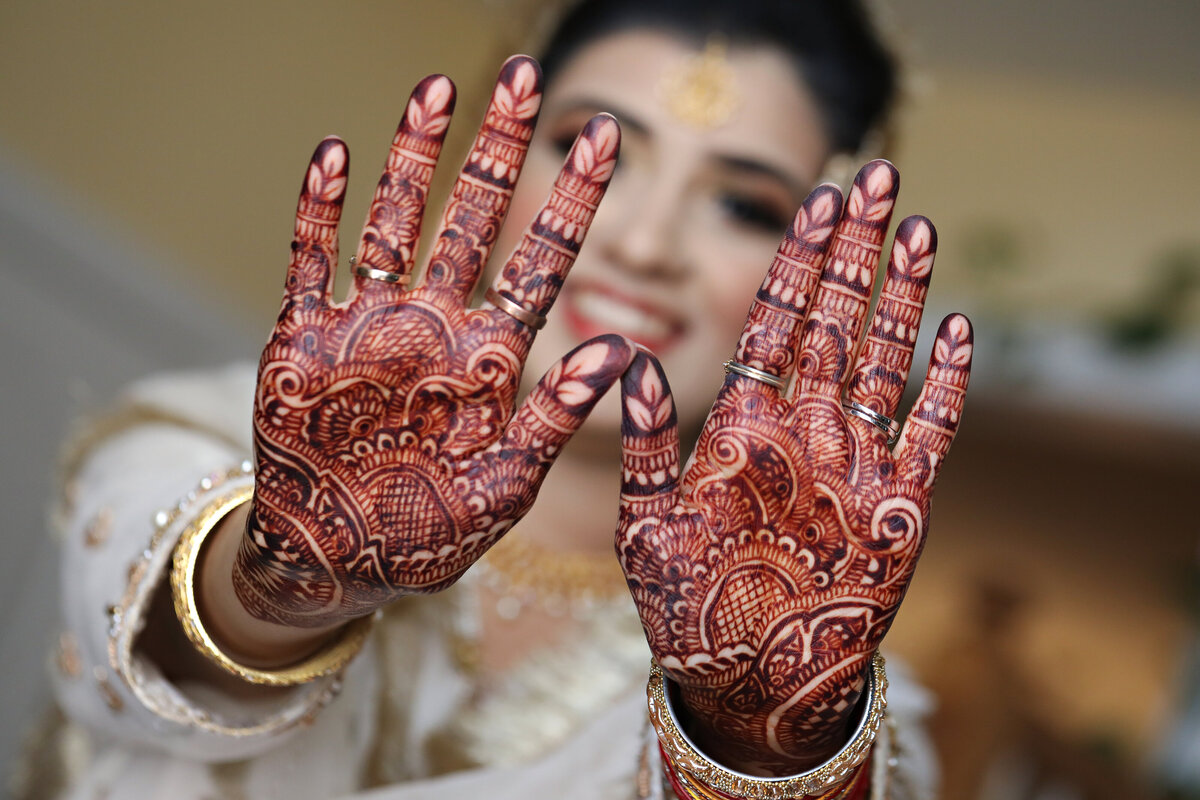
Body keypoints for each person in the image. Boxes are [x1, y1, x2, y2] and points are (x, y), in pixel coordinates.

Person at [37, 0, 972, 797]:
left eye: (745, 206)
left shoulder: (812, 670)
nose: (643, 245)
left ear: (828, 270)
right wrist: (284, 584)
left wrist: (750, 745)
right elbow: (143, 640)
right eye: (589, 150)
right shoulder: (211, 438)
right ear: (496, 156)